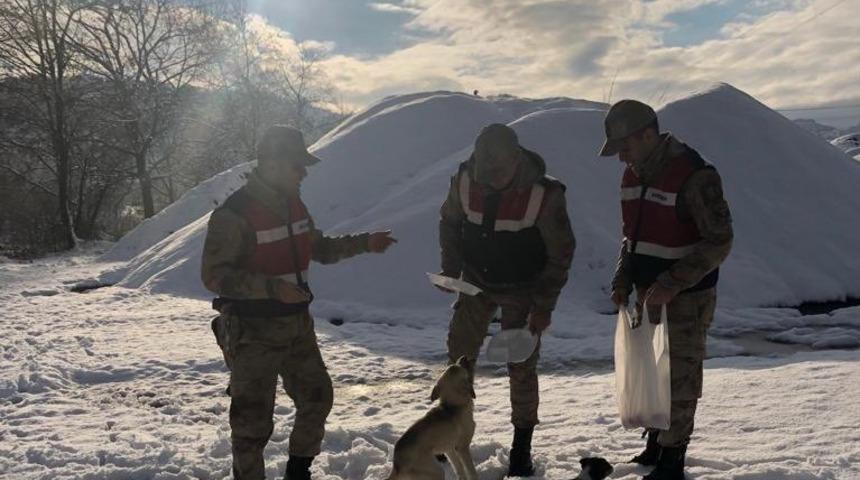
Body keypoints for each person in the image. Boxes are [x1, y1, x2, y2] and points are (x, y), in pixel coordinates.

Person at [201, 125, 397, 480]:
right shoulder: (234, 214)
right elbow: (215, 276)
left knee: (317, 398)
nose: (303, 173)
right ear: (273, 164)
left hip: (297, 326)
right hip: (252, 333)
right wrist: (272, 289)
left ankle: (298, 471)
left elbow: (318, 248)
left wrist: (365, 243)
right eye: (297, 166)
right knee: (251, 424)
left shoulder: (294, 206)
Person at [600, 100, 733, 480]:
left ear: (648, 135)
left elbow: (720, 241)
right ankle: (657, 443)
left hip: (687, 298)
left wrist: (672, 284)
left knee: (679, 379)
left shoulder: (693, 174)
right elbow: (631, 238)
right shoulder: (633, 175)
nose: (621, 157)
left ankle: (672, 460)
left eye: (625, 146)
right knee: (651, 372)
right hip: (648, 294)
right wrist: (623, 278)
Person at [437, 123, 575, 477]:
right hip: (476, 283)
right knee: (458, 360)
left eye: (498, 172)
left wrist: (544, 306)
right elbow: (449, 222)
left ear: (516, 159)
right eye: (486, 173)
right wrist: (450, 268)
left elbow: (560, 253)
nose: (490, 180)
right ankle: (447, 434)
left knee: (521, 365)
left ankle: (521, 447)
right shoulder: (466, 179)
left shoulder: (545, 194)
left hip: (524, 288)